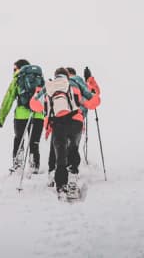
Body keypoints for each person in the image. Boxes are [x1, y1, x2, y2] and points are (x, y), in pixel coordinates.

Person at [30, 67, 98, 198]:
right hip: (76, 122)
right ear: (67, 76)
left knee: (60, 154)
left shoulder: (49, 86)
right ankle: (72, 180)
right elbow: (93, 102)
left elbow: (34, 105)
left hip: (58, 124)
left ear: (55, 76)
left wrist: (37, 96)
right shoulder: (75, 84)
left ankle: (61, 186)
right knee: (73, 149)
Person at [47, 66, 99, 186]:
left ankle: (54, 173)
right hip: (77, 119)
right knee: (73, 147)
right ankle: (72, 173)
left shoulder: (58, 84)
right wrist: (90, 79)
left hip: (59, 119)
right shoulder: (78, 81)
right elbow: (94, 95)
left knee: (57, 147)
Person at [0, 59, 45, 173]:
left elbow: (8, 100)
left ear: (19, 68)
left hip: (21, 115)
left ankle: (18, 165)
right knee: (34, 142)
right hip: (38, 116)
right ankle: (34, 167)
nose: (13, 71)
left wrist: (0, 119)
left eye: (14, 69)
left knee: (19, 139)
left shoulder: (17, 79)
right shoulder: (40, 78)